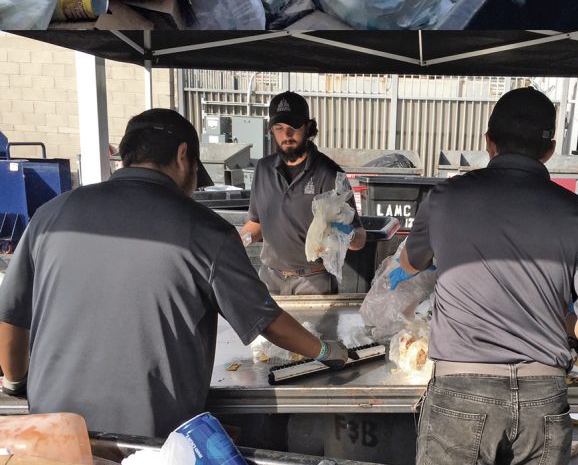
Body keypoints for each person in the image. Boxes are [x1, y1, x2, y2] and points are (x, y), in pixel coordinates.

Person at [0, 109, 351, 438]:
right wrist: (326, 350)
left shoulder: (50, 216)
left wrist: (16, 383)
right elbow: (267, 321)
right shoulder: (206, 231)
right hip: (149, 442)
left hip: (51, 432)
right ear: (184, 155)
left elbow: (11, 316)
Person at [398, 87, 578, 465]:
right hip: (544, 398)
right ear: (550, 149)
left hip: (460, 391)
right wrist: (561, 321)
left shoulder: (446, 197)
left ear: (489, 142)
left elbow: (411, 264)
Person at [240, 92, 367, 295]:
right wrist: (235, 243)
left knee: (312, 329)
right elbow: (256, 225)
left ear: (308, 127)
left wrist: (349, 235)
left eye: (294, 127)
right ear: (271, 130)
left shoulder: (330, 174)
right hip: (270, 279)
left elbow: (360, 238)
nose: (286, 135)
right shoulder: (263, 170)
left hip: (313, 280)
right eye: (279, 128)